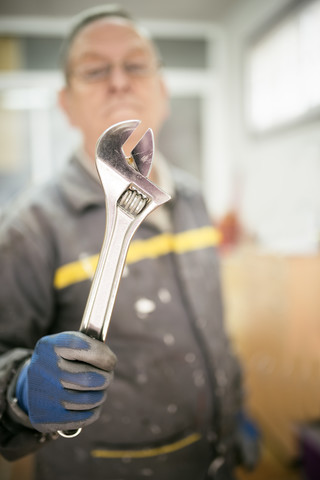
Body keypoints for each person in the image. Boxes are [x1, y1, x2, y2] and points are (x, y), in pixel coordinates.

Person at [0, 5, 259, 480]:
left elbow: (213, 326)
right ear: (65, 103)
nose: (119, 81)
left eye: (136, 65)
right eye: (95, 69)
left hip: (214, 461)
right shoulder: (29, 228)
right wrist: (17, 391)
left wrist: (235, 406)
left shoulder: (193, 196)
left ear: (162, 88)